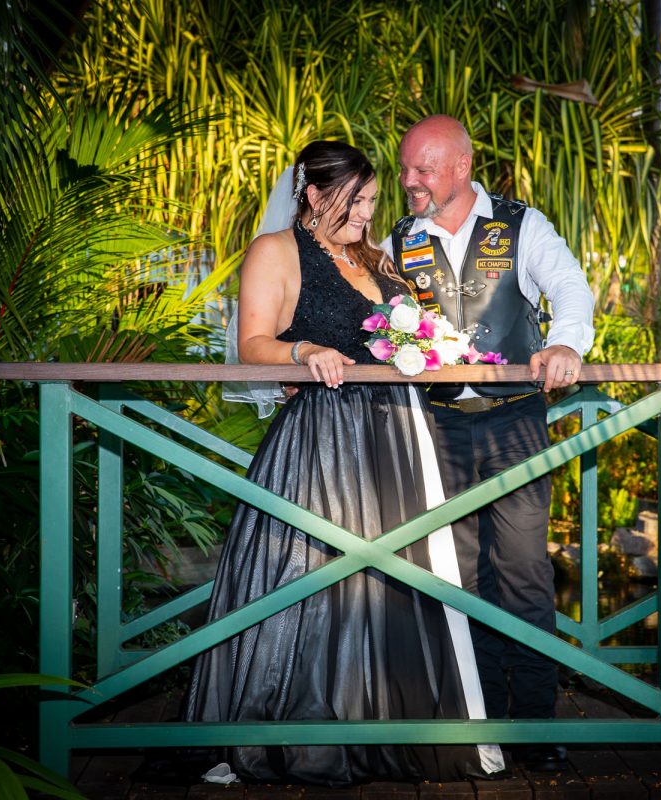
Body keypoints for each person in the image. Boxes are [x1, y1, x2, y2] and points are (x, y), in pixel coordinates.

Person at [185, 141, 504, 786]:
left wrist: (436, 346)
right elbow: (251, 342)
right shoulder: (275, 251)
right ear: (312, 194)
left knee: (392, 582)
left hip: (395, 444)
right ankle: (280, 731)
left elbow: (412, 334)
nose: (366, 214)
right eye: (354, 201)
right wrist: (303, 351)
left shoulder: (378, 260)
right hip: (321, 445)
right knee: (304, 580)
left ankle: (386, 724)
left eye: (370, 201)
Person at [383, 115, 595, 772]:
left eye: (423, 169)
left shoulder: (521, 224)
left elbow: (569, 286)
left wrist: (566, 341)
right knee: (457, 578)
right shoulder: (397, 239)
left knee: (526, 575)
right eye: (406, 169)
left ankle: (534, 724)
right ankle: (477, 727)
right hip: (437, 426)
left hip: (515, 422)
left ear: (463, 167)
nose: (410, 181)